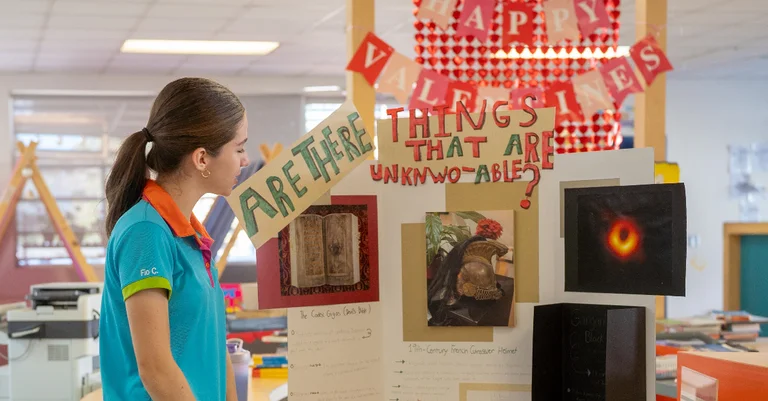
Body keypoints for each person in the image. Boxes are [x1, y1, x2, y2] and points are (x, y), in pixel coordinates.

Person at [99, 77, 250, 400]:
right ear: (201, 159)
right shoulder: (146, 232)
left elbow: (213, 345)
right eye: (238, 148)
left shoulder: (193, 235)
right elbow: (155, 369)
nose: (245, 159)